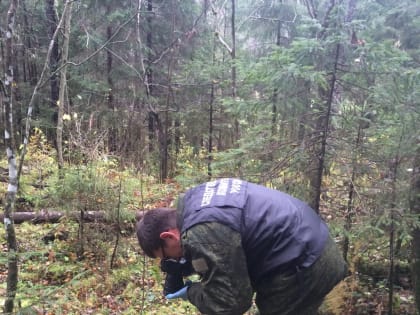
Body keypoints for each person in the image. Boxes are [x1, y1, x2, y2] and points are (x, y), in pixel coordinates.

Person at [136, 178, 348, 315]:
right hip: (314, 245)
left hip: (304, 266)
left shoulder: (203, 231)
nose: (170, 260)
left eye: (165, 255)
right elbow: (231, 247)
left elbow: (230, 302)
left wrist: (192, 292)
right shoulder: (194, 202)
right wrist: (188, 266)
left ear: (168, 236)